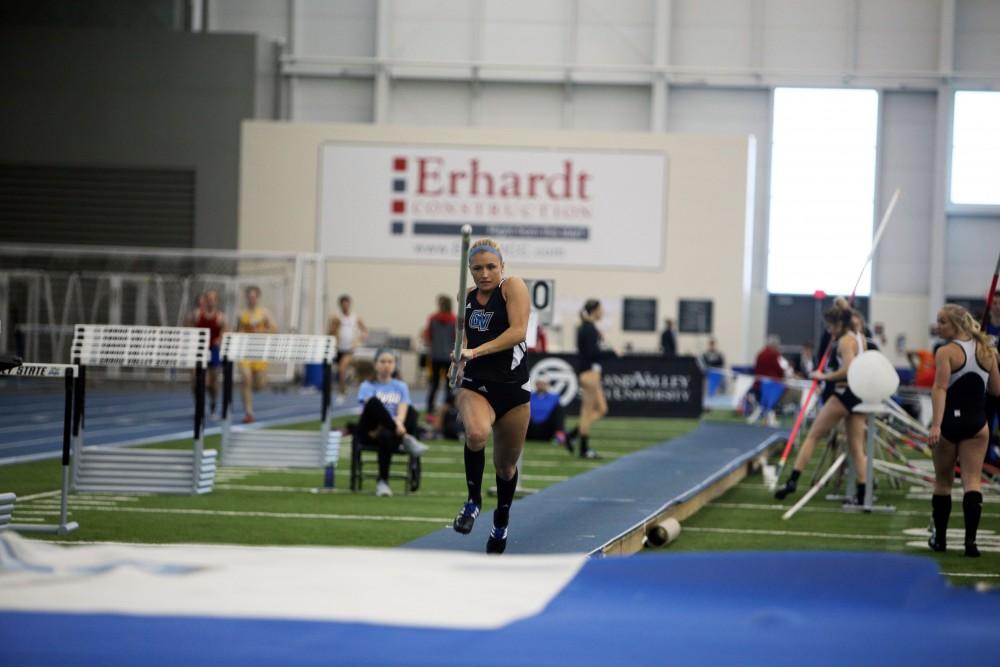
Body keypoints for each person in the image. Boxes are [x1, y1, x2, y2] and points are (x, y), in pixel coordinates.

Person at [450, 238, 530, 555]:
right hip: (476, 385)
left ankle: (501, 520)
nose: (484, 274)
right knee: (476, 433)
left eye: (490, 267)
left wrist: (475, 350)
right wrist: (457, 362)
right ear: (469, 270)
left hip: (512, 389)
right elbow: (464, 340)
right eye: (477, 268)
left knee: (506, 468)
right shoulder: (465, 297)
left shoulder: (512, 287)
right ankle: (472, 502)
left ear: (502, 266)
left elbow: (518, 331)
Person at [775, 305, 869, 505]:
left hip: (844, 393)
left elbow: (848, 369)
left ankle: (793, 480)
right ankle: (863, 495)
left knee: (813, 435)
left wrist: (823, 375)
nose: (829, 330)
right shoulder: (860, 338)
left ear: (840, 324)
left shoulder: (845, 341)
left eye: (830, 326)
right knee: (856, 447)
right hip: (859, 395)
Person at [927, 304, 1000, 557]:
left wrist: (936, 425)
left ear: (956, 324)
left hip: (949, 424)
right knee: (972, 481)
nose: (938, 326)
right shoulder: (987, 350)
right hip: (978, 424)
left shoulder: (946, 352)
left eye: (942, 321)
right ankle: (971, 543)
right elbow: (996, 390)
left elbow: (940, 388)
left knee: (943, 483)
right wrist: (992, 359)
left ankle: (941, 541)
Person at [354, 349, 429, 497]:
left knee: (411, 411)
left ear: (394, 365)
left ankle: (383, 482)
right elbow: (369, 411)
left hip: (391, 433)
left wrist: (398, 423)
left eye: (390, 362)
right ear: (375, 365)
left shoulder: (400, 386)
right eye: (382, 361)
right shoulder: (367, 386)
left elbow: (403, 408)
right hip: (371, 430)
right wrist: (396, 425)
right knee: (374, 402)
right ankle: (407, 439)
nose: (386, 365)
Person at [568, 299, 609, 459]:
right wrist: (613, 352)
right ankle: (584, 449)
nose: (603, 312)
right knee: (586, 413)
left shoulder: (588, 327)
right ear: (594, 310)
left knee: (602, 409)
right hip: (589, 374)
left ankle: (571, 435)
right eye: (601, 309)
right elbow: (592, 353)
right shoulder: (588, 328)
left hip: (591, 373)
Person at [237, 285, 277, 424]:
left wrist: (263, 332)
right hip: (246, 351)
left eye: (254, 296)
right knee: (246, 380)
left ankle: (252, 387)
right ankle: (248, 413)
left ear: (257, 297)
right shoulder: (242, 314)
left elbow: (274, 329)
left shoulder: (264, 313)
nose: (252, 299)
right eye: (250, 296)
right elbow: (237, 331)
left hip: (260, 352)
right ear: (247, 298)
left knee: (260, 385)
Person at [189, 289, 226, 416]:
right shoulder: (197, 314)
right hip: (199, 349)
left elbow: (226, 331)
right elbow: (188, 327)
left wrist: (219, 339)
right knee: (196, 380)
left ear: (216, 301)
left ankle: (213, 401)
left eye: (213, 299)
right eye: (208, 298)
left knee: (212, 382)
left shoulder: (220, 316)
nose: (210, 301)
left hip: (213, 351)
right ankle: (199, 405)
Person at [328, 295, 367, 404]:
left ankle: (342, 393)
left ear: (349, 304)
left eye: (347, 304)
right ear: (340, 305)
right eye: (343, 304)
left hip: (349, 349)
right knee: (337, 371)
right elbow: (330, 333)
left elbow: (364, 331)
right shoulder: (336, 317)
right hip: (338, 348)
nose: (345, 306)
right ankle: (343, 387)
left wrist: (358, 340)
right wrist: (334, 325)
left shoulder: (355, 317)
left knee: (341, 369)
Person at [423, 294, 457, 417]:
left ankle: (430, 409)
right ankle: (448, 408)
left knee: (434, 384)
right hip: (449, 356)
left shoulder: (433, 318)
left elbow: (427, 336)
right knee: (450, 385)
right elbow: (456, 337)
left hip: (435, 356)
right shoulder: (454, 319)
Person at [526, 378, 569, 450]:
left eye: (543, 384)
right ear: (536, 385)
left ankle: (560, 435)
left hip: (547, 430)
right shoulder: (529, 396)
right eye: (539, 383)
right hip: (530, 429)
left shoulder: (554, 397)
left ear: (547, 385)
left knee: (558, 409)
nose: (541, 386)